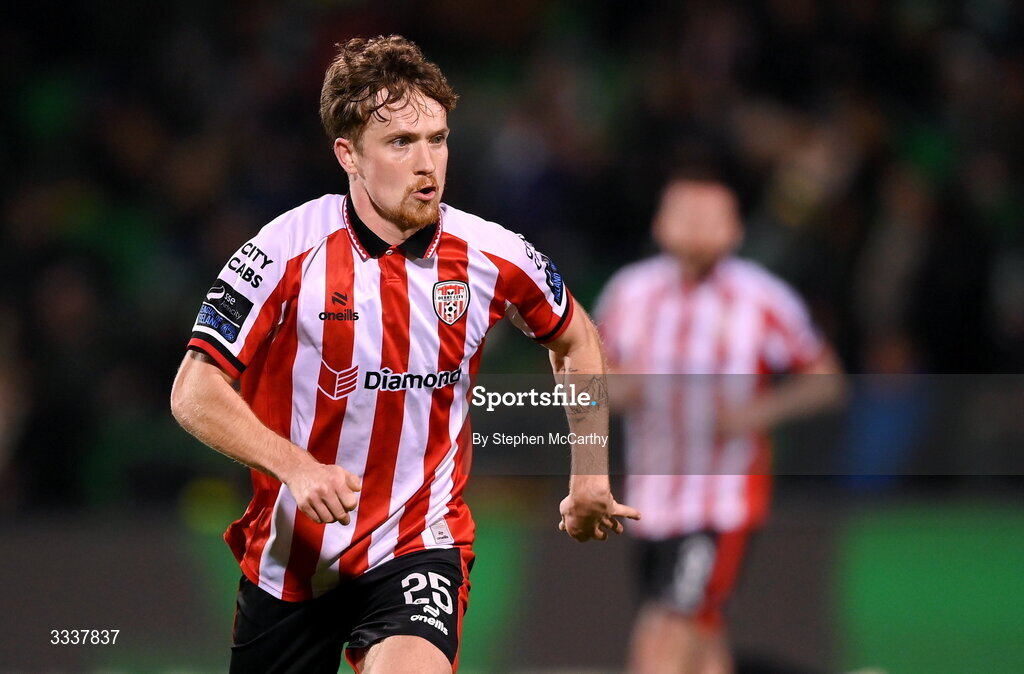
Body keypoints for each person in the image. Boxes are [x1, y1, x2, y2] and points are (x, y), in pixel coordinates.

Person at [170, 35, 638, 674]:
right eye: (400, 143)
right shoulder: (283, 250)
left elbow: (575, 336)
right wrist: (297, 467)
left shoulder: (492, 255)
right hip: (293, 558)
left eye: (437, 140)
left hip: (419, 543)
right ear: (349, 155)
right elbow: (193, 391)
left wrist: (589, 473)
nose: (427, 164)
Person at [594, 178, 844, 674]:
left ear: (735, 229)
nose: (697, 228)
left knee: (665, 633)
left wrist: (759, 412)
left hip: (721, 500)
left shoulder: (761, 297)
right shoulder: (630, 292)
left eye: (712, 217)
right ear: (660, 224)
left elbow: (826, 380)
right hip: (649, 500)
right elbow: (584, 377)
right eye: (686, 215)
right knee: (703, 644)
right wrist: (618, 389)